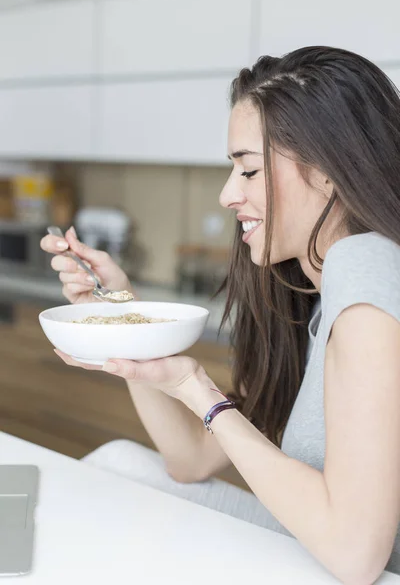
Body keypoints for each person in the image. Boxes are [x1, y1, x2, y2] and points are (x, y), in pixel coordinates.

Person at [41, 46, 400, 583]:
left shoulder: (366, 273)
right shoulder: (323, 292)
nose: (228, 194)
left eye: (249, 170)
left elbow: (356, 554)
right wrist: (125, 316)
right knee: (121, 461)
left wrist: (199, 390)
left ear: (328, 173)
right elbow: (190, 460)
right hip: (320, 554)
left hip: (353, 569)